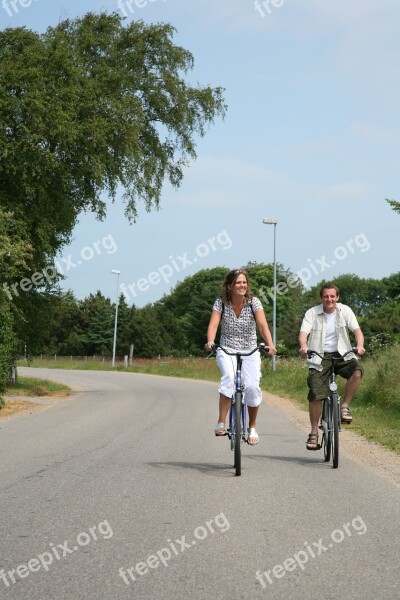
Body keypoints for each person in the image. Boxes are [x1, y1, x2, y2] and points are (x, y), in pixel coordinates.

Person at [204, 269, 276, 446]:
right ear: (229, 286)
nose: (242, 285)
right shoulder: (221, 303)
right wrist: (210, 341)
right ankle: (221, 421)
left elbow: (262, 325)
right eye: (238, 282)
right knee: (228, 378)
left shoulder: (254, 302)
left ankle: (252, 427)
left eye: (244, 282)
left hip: (250, 350)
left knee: (251, 386)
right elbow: (213, 324)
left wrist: (270, 344)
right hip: (226, 348)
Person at [298, 282, 365, 450]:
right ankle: (314, 433)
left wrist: (360, 345)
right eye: (326, 296)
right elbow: (303, 333)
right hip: (319, 357)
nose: (329, 299)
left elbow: (357, 331)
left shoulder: (345, 311)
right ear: (321, 298)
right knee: (315, 392)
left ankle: (344, 407)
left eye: (332, 296)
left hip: (343, 354)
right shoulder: (312, 313)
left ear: (337, 297)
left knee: (357, 371)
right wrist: (304, 346)